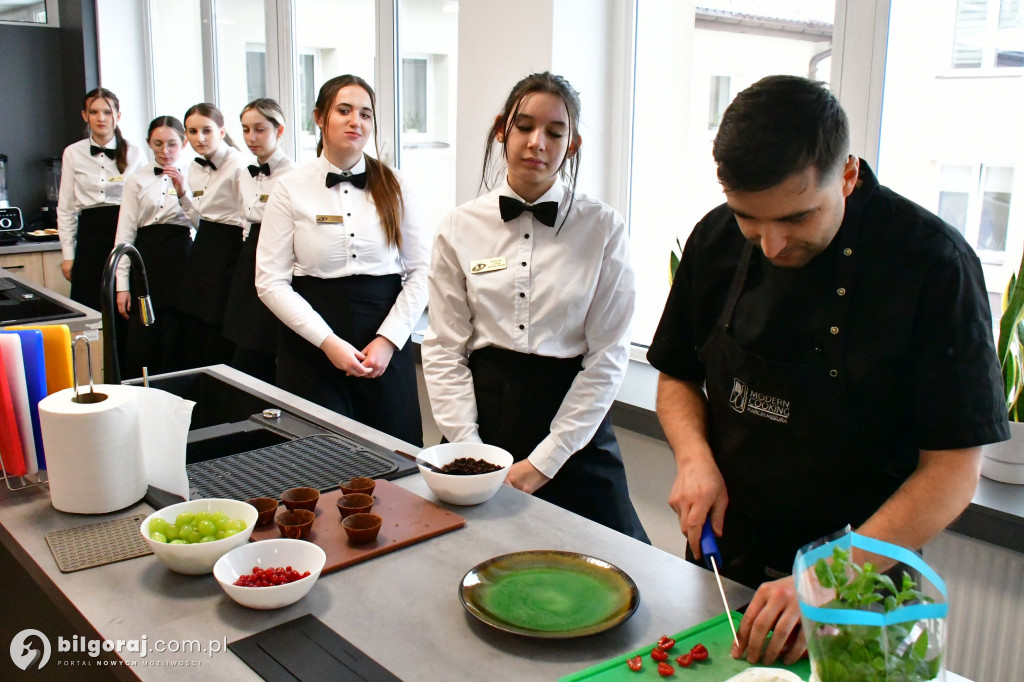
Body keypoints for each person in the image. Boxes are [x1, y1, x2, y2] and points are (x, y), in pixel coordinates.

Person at [647, 75, 1009, 665]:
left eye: (796, 218)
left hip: (860, 593)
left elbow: (953, 472)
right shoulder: (715, 238)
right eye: (749, 219)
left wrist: (826, 574)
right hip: (723, 567)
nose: (771, 245)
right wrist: (693, 458)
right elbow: (677, 376)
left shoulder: (933, 266)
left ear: (847, 174)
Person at [421, 72, 649, 542]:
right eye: (524, 126)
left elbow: (607, 355)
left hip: (574, 428)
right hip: (481, 421)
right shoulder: (458, 226)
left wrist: (544, 461)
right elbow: (444, 347)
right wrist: (470, 451)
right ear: (503, 129)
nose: (536, 142)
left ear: (574, 143)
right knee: (465, 558)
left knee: (614, 565)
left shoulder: (603, 229)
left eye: (554, 131)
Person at [256, 75, 429, 445]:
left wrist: (389, 339)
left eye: (366, 114)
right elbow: (269, 281)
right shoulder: (289, 187)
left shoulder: (397, 184)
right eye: (345, 111)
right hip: (311, 346)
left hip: (383, 339)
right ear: (319, 117)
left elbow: (421, 271)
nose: (357, 122)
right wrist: (327, 342)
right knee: (319, 465)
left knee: (395, 458)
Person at [113, 116, 196, 378]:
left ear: (183, 142)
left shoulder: (195, 173)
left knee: (177, 338)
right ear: (149, 143)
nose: (165, 151)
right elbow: (125, 232)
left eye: (172, 144)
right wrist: (121, 285)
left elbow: (202, 224)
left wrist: (183, 192)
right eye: (158, 144)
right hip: (145, 259)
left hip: (181, 259)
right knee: (143, 343)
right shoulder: (136, 179)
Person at [222, 98, 296, 384]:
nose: (251, 138)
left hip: (279, 258)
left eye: (260, 129)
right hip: (249, 256)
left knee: (265, 349)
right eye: (245, 130)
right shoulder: (244, 173)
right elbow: (244, 220)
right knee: (245, 345)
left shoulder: (294, 176)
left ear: (279, 131)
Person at [57, 87, 145, 311]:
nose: (101, 118)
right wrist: (68, 255)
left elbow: (145, 201)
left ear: (118, 115)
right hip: (90, 235)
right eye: (94, 112)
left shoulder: (135, 153)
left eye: (107, 112)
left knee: (126, 305)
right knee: (90, 306)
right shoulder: (72, 153)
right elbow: (66, 208)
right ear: (85, 116)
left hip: (125, 231)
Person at [176, 102, 246, 369]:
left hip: (231, 249)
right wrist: (183, 194)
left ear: (222, 130)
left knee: (222, 324)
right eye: (192, 132)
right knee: (198, 323)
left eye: (206, 130)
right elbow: (199, 219)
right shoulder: (193, 167)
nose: (199, 138)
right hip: (204, 246)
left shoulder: (238, 164)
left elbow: (245, 218)